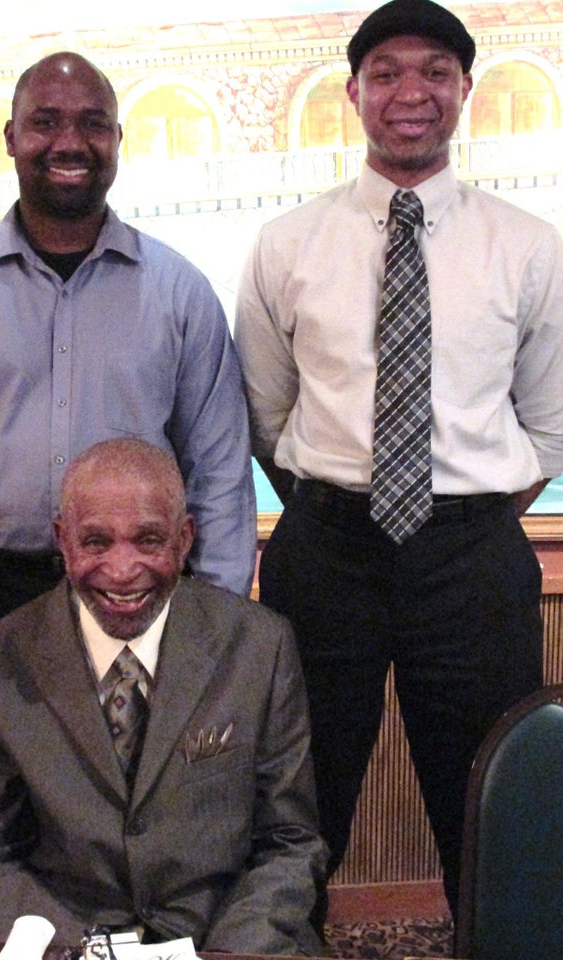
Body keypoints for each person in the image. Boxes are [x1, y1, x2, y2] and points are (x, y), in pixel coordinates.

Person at [0, 52, 256, 850]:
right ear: (11, 138)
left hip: (138, 605)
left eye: (91, 122)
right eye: (46, 121)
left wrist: (217, 637)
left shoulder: (180, 293)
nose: (67, 140)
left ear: (119, 139)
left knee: (136, 838)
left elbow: (219, 472)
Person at [234, 0, 563, 920]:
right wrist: (348, 502)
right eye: (385, 73)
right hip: (326, 554)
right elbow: (265, 415)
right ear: (353, 93)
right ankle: (284, 943)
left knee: (492, 799)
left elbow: (548, 427)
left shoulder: (529, 247)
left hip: (471, 563)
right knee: (296, 797)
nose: (409, 93)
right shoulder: (288, 244)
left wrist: (454, 506)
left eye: (433, 72)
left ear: (464, 89)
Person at [0, 437, 326, 952]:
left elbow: (290, 844)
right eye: (96, 542)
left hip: (224, 942)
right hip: (68, 946)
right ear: (62, 539)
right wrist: (87, 954)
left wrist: (226, 953)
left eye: (148, 540)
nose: (121, 570)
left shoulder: (260, 648)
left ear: (184, 539)